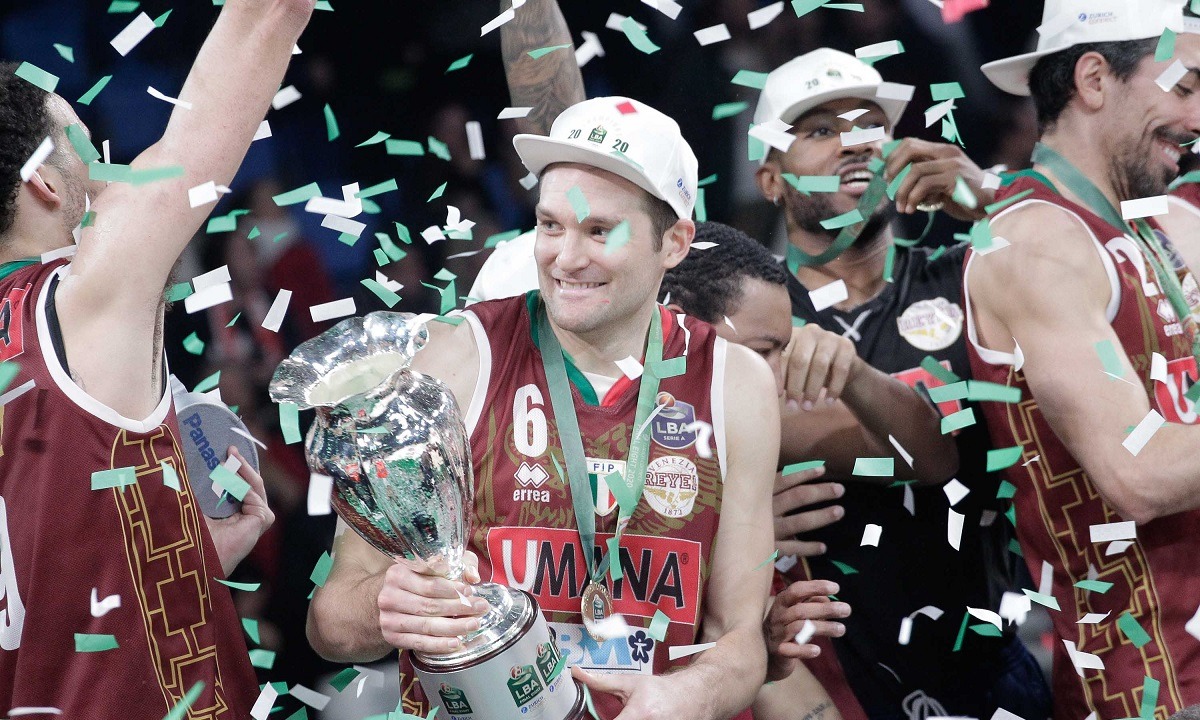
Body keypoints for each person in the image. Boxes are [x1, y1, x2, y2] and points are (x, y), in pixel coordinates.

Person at [308, 95, 781, 720]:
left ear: (674, 242)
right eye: (551, 225)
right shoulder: (448, 360)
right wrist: (383, 608)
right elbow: (329, 622)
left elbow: (740, 638)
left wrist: (689, 695)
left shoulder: (734, 382)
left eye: (599, 231)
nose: (566, 257)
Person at [0, 0, 313, 715]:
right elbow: (268, 15)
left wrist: (178, 566)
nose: (109, 168)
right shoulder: (80, 294)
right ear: (44, 179)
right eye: (86, 144)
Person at [752, 48, 1050, 720]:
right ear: (770, 180)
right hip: (824, 684)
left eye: (870, 127)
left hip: (990, 671)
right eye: (820, 130)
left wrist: (994, 203)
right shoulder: (749, 315)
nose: (855, 144)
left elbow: (1112, 291)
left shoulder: (975, 274)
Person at [967, 1, 1200, 717]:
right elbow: (1138, 473)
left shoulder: (1166, 225)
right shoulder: (1034, 243)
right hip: (1150, 688)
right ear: (1095, 79)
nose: (1198, 118)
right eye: (1185, 87)